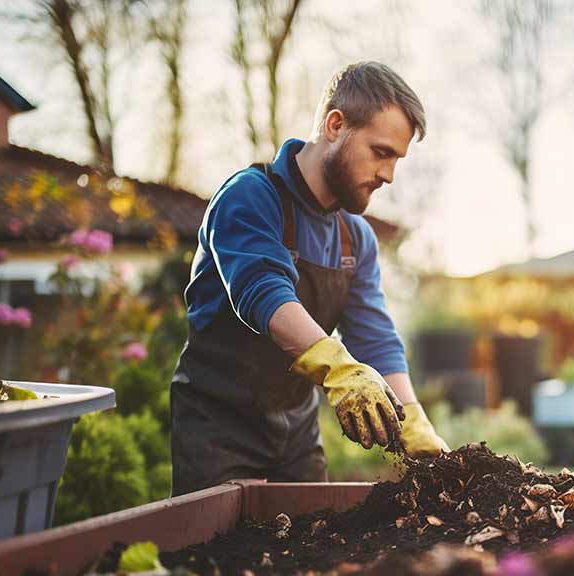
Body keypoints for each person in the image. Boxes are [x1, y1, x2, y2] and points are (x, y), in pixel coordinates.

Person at [170, 61, 447, 496]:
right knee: (217, 556)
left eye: (397, 159)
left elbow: (372, 336)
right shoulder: (250, 197)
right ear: (336, 125)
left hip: (296, 435)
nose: (389, 175)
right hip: (218, 428)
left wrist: (412, 418)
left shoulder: (356, 238)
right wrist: (339, 369)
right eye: (381, 152)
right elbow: (262, 292)